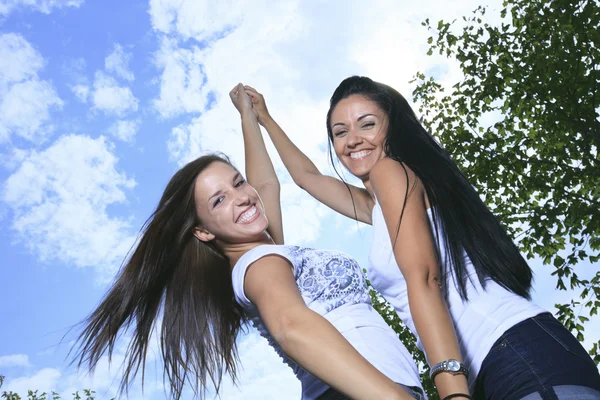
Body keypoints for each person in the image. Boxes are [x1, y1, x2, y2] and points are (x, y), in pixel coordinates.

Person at [242, 77, 600, 400]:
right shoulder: (382, 205)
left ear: (392, 127)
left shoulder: (390, 171)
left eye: (367, 124)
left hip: (514, 352)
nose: (352, 140)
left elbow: (425, 280)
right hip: (504, 361)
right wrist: (265, 119)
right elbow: (306, 177)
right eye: (339, 132)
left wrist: (452, 392)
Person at [71, 83, 425, 400]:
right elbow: (291, 326)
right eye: (218, 200)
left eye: (238, 183)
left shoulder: (266, 251)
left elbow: (266, 185)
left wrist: (250, 116)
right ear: (203, 231)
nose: (241, 197)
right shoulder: (258, 265)